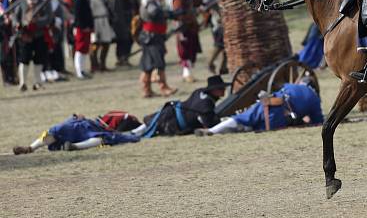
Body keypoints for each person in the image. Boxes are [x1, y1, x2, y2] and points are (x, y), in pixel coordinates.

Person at [195, 80, 322, 135]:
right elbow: (317, 122)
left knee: (241, 118)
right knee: (251, 128)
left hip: (267, 102)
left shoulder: (290, 86)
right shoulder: (315, 100)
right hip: (279, 116)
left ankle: (212, 131)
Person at [131, 75, 227, 137]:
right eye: (220, 88)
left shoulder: (199, 91)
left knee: (151, 122)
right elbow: (209, 124)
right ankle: (133, 134)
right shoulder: (206, 104)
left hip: (172, 110)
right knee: (151, 126)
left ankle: (135, 132)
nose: (223, 90)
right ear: (213, 90)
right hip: (173, 122)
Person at [13, 111, 141, 154]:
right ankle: (30, 148)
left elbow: (129, 136)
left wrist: (133, 137)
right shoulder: (117, 116)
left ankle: (73, 147)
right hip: (83, 125)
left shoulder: (115, 131)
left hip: (94, 131)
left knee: (103, 138)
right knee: (56, 130)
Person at [138, 0, 177, 97]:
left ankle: (147, 90)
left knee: (149, 64)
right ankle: (163, 87)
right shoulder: (151, 3)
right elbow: (154, 13)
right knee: (156, 63)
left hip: (155, 36)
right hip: (152, 37)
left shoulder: (153, 2)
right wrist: (167, 13)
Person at [12, 0, 52, 91]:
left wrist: (36, 22)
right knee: (24, 59)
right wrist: (19, 24)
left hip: (39, 34)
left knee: (39, 59)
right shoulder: (22, 3)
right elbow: (15, 17)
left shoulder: (43, 2)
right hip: (25, 35)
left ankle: (38, 81)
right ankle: (23, 83)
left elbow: (49, 17)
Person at [202, 0, 234, 74]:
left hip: (224, 15)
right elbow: (207, 3)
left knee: (226, 43)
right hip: (216, 17)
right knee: (219, 43)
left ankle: (224, 67)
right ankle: (210, 63)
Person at [172, 0, 201, 83]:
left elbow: (198, 6)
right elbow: (177, 15)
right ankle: (186, 73)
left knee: (192, 50)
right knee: (185, 51)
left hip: (191, 27)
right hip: (183, 28)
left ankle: (187, 73)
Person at [108, 0, 137, 67]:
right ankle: (121, 58)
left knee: (130, 39)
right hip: (121, 20)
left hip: (130, 19)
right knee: (122, 39)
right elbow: (116, 10)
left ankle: (126, 57)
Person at [71, 0, 94, 79]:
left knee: (84, 49)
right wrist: (84, 25)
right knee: (80, 49)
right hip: (82, 26)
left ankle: (82, 69)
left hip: (84, 26)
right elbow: (79, 13)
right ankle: (79, 70)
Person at [89, 0, 114, 72]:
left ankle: (102, 64)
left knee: (106, 43)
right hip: (96, 21)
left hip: (104, 20)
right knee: (95, 44)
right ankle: (94, 65)